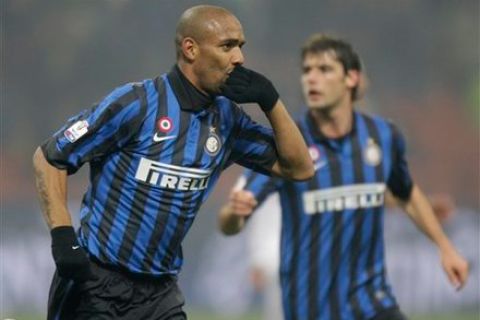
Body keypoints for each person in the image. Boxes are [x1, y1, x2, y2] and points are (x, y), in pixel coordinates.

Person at [32, 5, 314, 320]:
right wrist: (62, 237)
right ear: (190, 49)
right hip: (96, 285)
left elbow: (299, 168)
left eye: (240, 46)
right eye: (227, 45)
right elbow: (49, 157)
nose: (239, 58)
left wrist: (270, 100)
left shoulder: (228, 121)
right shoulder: (135, 104)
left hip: (160, 294)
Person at [218, 33, 469, 320]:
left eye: (323, 70)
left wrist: (446, 248)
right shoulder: (290, 144)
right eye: (306, 71)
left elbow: (406, 194)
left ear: (351, 78)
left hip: (372, 301)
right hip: (310, 307)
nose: (311, 79)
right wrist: (234, 212)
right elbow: (230, 224)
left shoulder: (383, 135)